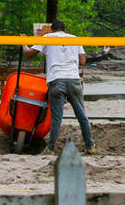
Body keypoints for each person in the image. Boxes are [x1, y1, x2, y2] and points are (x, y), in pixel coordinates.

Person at [22, 20, 95, 154]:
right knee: (82, 115)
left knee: (57, 118)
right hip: (73, 79)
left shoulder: (47, 38)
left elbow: (29, 54)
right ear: (65, 30)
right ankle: (90, 145)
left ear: (52, 30)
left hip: (56, 79)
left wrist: (24, 43)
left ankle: (50, 148)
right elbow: (83, 61)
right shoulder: (74, 39)